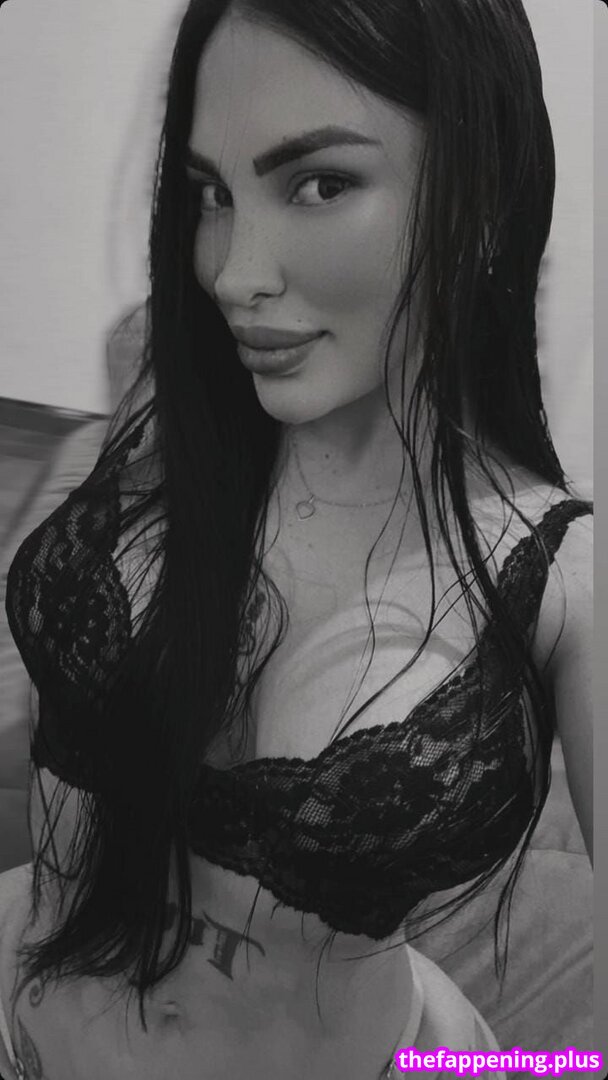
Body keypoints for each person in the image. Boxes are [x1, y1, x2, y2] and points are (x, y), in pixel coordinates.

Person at [0, 1, 593, 1077]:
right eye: (211, 193)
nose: (232, 273)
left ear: (484, 196)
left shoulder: (562, 579)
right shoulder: (163, 386)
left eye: (319, 183)